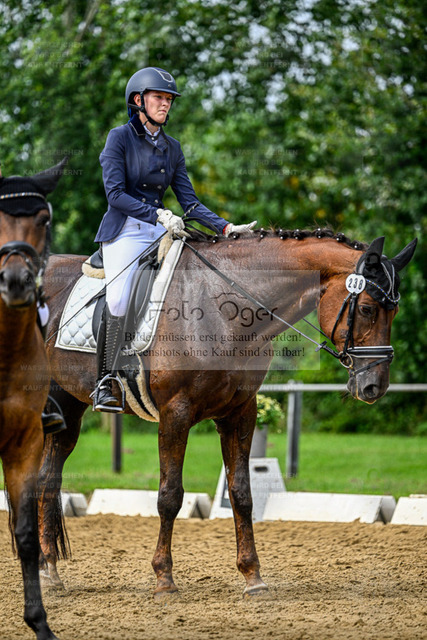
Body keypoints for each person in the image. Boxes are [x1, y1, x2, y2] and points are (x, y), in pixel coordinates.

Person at [92, 66, 256, 412]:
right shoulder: (118, 138)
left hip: (161, 229)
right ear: (138, 100)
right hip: (125, 230)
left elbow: (190, 203)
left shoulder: (172, 147)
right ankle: (105, 380)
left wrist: (226, 228)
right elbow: (115, 195)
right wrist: (158, 214)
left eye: (169, 99)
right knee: (118, 299)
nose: (165, 104)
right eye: (159, 98)